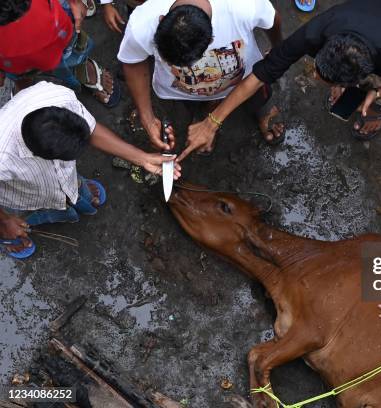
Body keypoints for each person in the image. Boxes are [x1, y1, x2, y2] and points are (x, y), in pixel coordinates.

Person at [176, 0, 381, 161]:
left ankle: (379, 104)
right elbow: (258, 75)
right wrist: (212, 123)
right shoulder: (316, 31)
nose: (313, 76)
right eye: (318, 71)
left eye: (321, 77)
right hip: (361, 10)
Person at [0, 81, 180, 259]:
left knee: (72, 184)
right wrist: (5, 220)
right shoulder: (3, 157)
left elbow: (91, 130)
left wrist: (143, 158)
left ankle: (72, 192)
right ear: (39, 154)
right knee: (18, 215)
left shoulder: (58, 96)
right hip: (24, 190)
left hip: (63, 176)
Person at [118, 0, 284, 155]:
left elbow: (273, 20)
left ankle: (262, 112)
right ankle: (207, 109)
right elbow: (133, 61)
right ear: (161, 20)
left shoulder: (245, 5)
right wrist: (147, 118)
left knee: (258, 95)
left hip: (244, 78)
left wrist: (278, 50)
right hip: (181, 92)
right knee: (190, 109)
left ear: (211, 39)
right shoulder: (143, 21)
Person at [0, 0, 120, 106]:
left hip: (51, 20)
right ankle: (24, 84)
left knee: (69, 46)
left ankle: (80, 64)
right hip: (8, 55)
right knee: (20, 74)